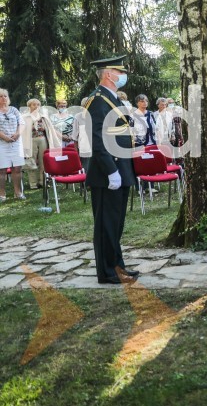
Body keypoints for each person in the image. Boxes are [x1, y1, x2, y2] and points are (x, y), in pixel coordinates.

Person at [82, 55, 139, 285]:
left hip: (121, 168)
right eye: (120, 72)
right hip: (108, 172)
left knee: (116, 224)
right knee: (106, 224)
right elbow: (97, 139)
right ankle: (107, 272)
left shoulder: (111, 98)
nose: (123, 76)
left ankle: (117, 266)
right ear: (108, 74)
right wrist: (110, 170)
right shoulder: (97, 100)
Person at [22, 98, 59, 190]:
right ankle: (33, 183)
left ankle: (43, 181)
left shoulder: (43, 116)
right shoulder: (25, 117)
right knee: (32, 161)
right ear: (29, 106)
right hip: (31, 140)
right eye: (34, 104)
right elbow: (22, 130)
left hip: (42, 139)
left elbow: (50, 129)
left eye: (38, 105)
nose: (36, 106)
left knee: (43, 161)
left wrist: (44, 128)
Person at [0, 88, 25, 201]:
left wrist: (18, 133)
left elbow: (22, 123)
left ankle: (18, 193)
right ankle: (2, 194)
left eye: (5, 96)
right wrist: (4, 137)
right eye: (0, 96)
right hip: (2, 143)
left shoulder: (14, 109)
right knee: (1, 170)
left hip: (16, 142)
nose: (3, 98)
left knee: (17, 168)